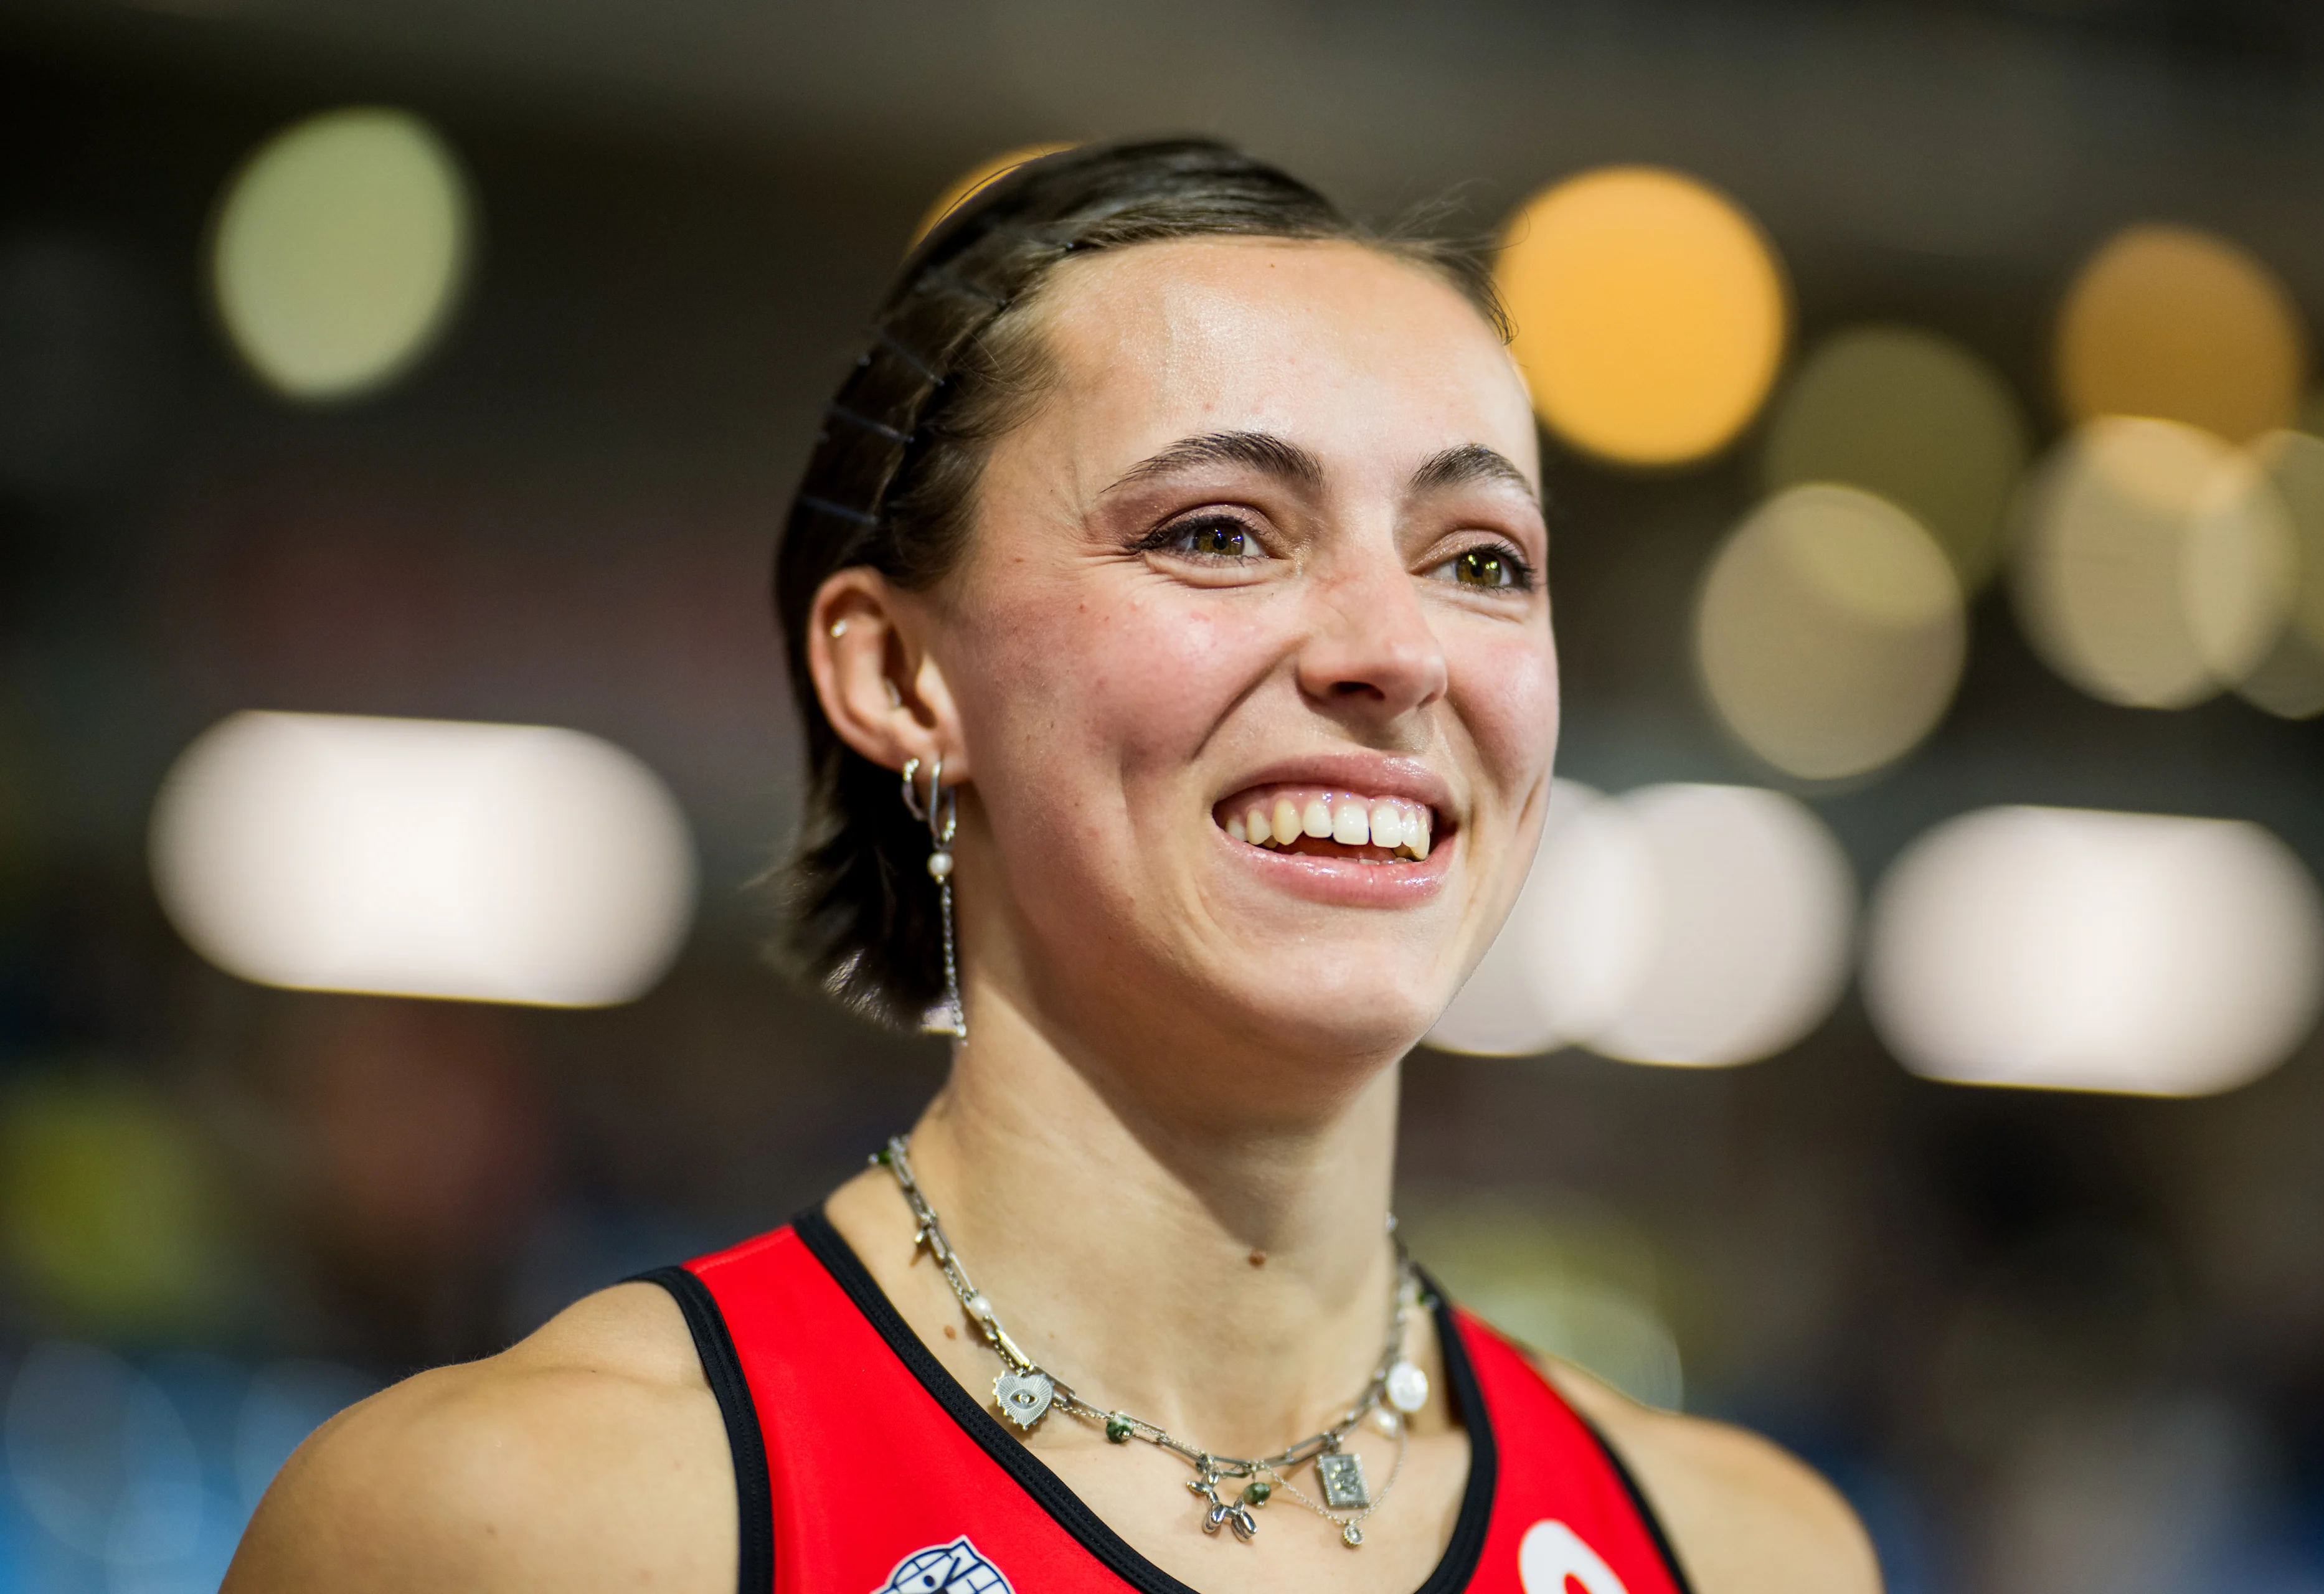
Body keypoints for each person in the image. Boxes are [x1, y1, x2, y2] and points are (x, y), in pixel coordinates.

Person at [225, 139, 1878, 1594]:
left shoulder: (1743, 1558)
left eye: (1480, 560)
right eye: (1218, 530)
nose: (1399, 650)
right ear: (895, 677)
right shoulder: (520, 1531)